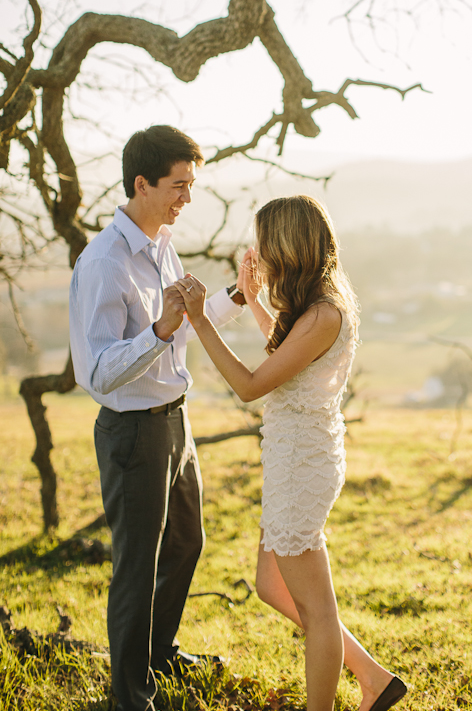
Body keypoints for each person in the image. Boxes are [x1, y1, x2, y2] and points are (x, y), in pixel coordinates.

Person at [173, 195, 408, 711]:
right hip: (290, 459)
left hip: (304, 465)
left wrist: (201, 318)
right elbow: (285, 352)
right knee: (269, 585)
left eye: (264, 241)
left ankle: (344, 695)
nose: (259, 251)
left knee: (317, 609)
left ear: (287, 245)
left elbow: (252, 385)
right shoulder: (314, 309)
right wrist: (251, 298)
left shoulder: (325, 313)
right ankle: (373, 677)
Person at [69, 125, 246, 711]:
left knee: (186, 544)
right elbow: (95, 373)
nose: (185, 199)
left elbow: (184, 318)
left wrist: (237, 295)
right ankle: (130, 697)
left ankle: (159, 653)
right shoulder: (103, 263)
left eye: (191, 185)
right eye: (178, 186)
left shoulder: (162, 243)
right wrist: (159, 330)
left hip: (176, 421)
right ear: (141, 184)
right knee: (136, 568)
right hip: (134, 433)